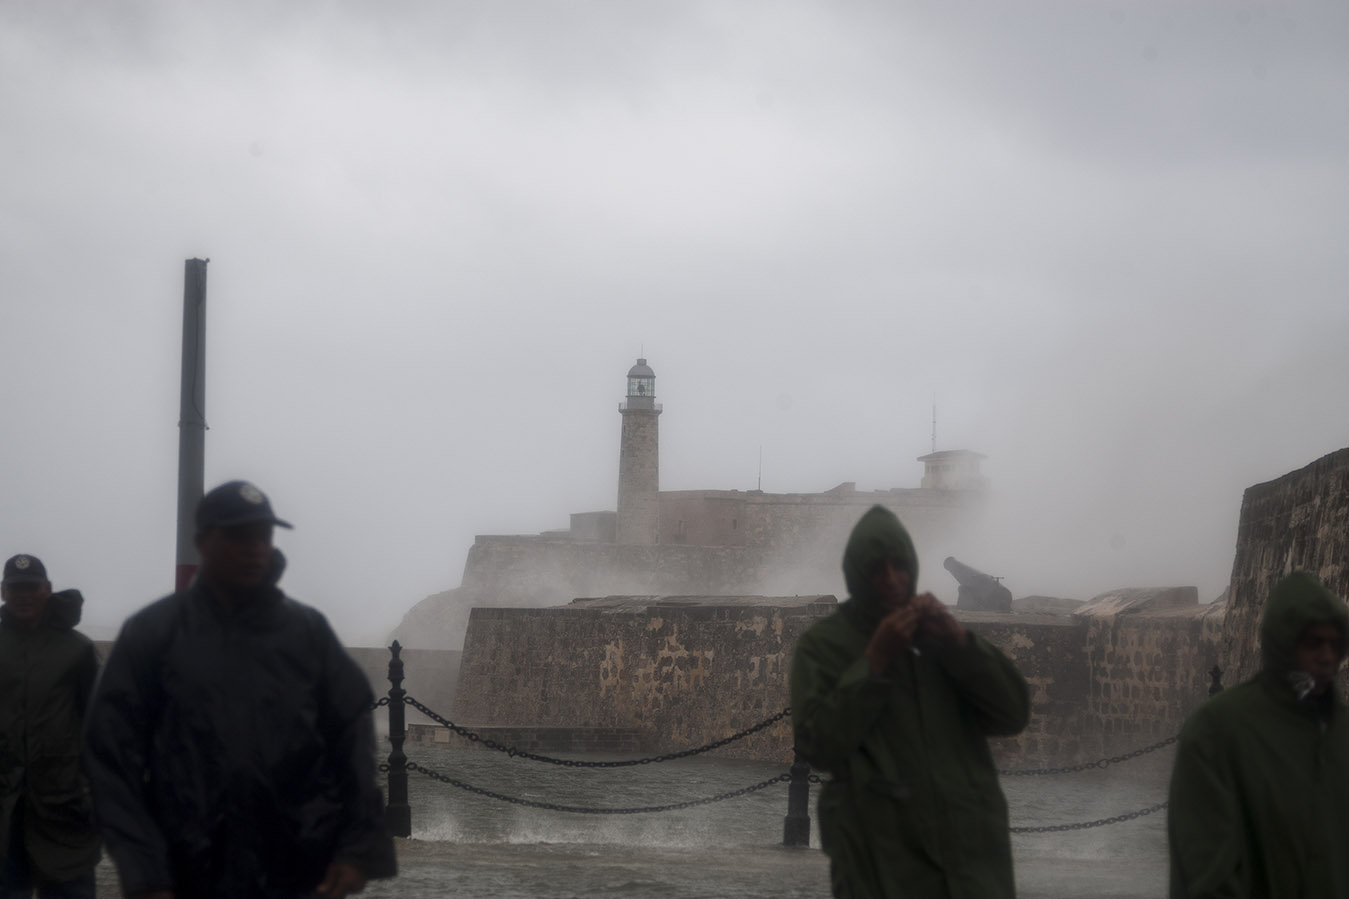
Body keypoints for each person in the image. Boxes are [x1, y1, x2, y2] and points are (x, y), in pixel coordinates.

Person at [84, 481, 396, 899]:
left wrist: (357, 849)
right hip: (186, 872)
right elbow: (111, 756)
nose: (254, 548)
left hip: (297, 870)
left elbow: (352, 743)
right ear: (202, 541)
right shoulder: (154, 633)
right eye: (237, 536)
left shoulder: (308, 634)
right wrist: (145, 872)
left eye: (263, 536)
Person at [789, 505, 1030, 899]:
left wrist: (960, 646)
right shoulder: (824, 647)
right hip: (883, 870)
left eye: (899, 567)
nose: (891, 579)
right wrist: (875, 663)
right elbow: (818, 744)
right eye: (877, 569)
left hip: (970, 869)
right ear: (858, 573)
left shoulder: (938, 638)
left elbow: (1012, 713)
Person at [1168, 571, 1349, 898]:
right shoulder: (1216, 732)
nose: (1326, 656)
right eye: (1313, 642)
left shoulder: (1341, 733)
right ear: (1283, 643)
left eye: (1335, 644)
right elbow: (1210, 873)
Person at [0, 554, 101, 899]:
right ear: (3, 592)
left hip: (63, 809)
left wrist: (93, 790)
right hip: (4, 809)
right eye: (15, 588)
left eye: (31, 587)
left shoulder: (77, 649)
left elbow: (101, 725)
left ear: (47, 590)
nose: (23, 594)